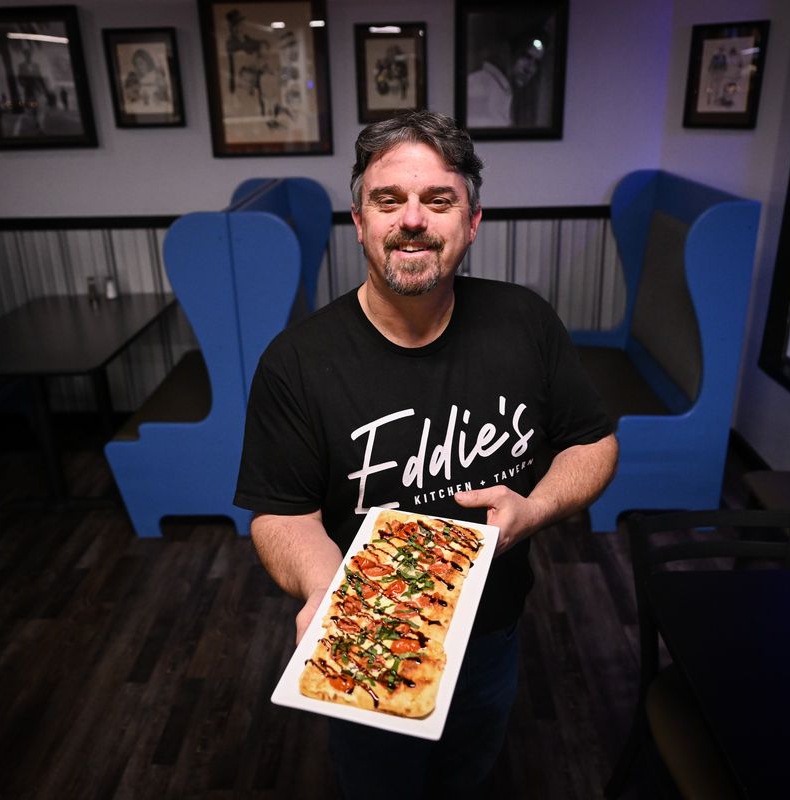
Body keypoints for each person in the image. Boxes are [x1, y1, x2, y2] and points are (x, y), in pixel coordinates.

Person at [234, 110, 619, 796]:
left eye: (437, 200)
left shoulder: (524, 321)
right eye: (389, 200)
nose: (412, 219)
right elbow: (281, 514)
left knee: (466, 774)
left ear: (471, 222)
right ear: (359, 221)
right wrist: (330, 590)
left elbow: (593, 441)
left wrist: (535, 508)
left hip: (492, 632)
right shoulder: (295, 362)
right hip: (369, 641)